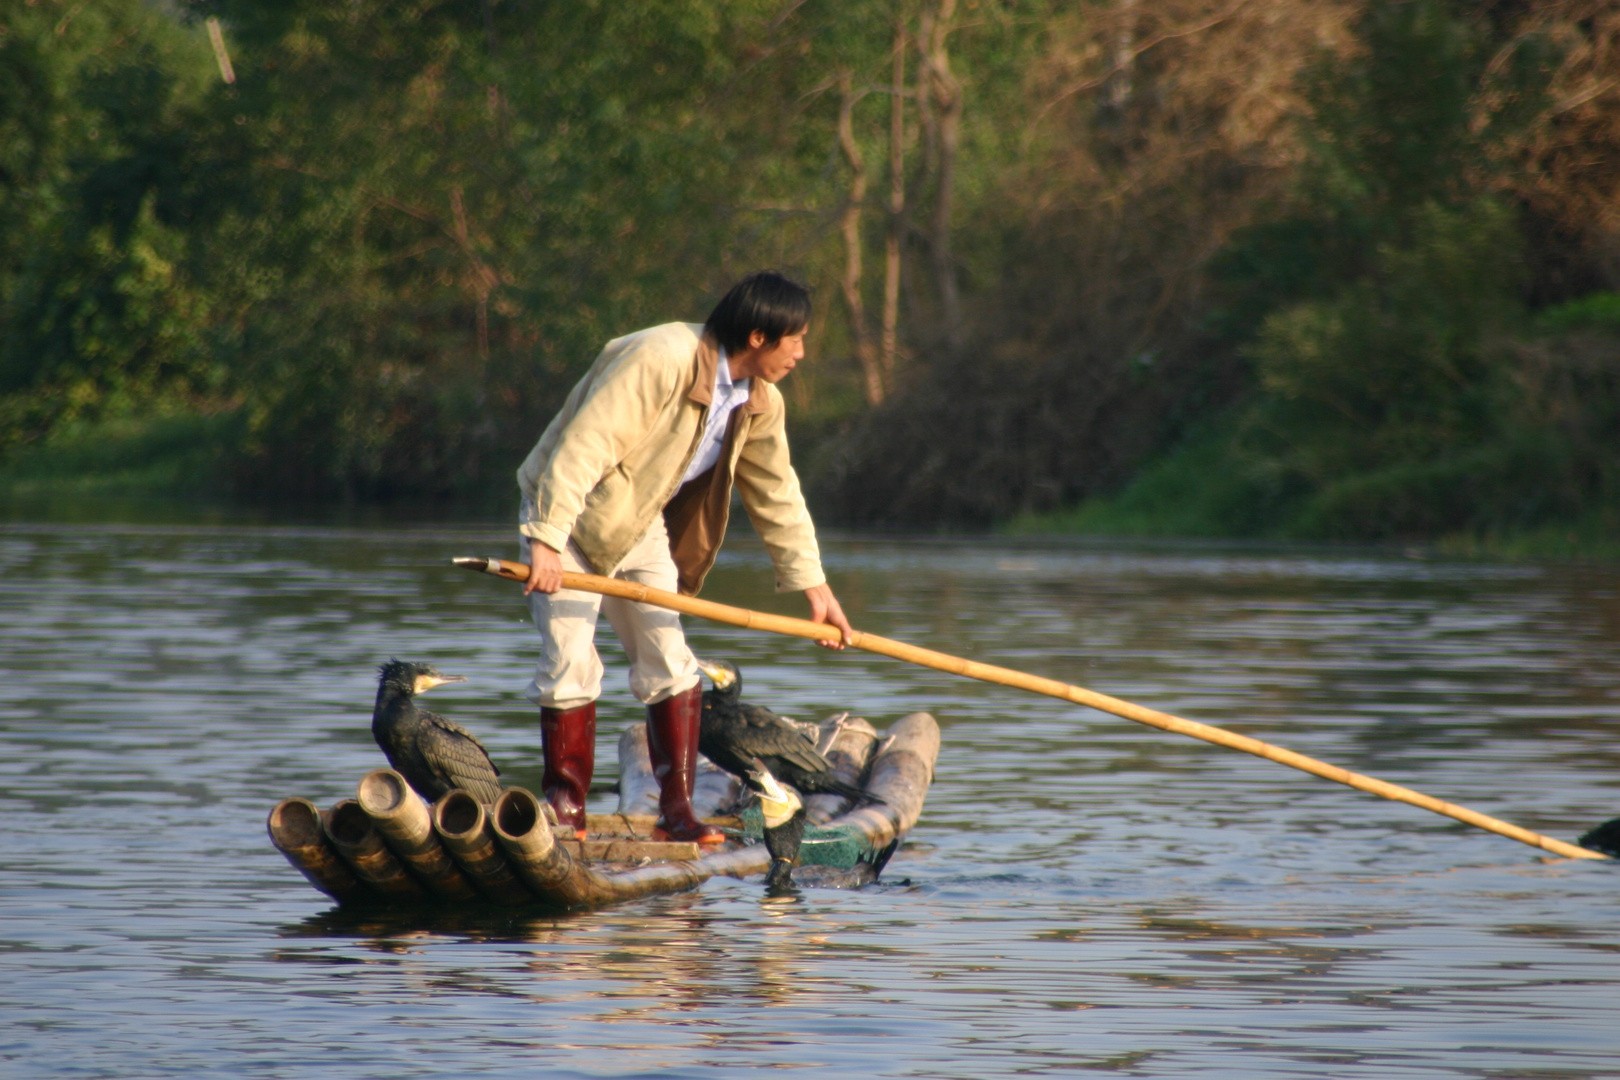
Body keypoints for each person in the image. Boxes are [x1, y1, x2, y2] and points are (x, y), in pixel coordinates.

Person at [515, 271, 853, 843]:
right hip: (572, 516)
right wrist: (547, 539)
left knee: (672, 664)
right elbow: (584, 444)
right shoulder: (661, 357)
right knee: (571, 663)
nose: (800, 353)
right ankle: (566, 812)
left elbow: (777, 492)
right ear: (756, 337)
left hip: (641, 524)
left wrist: (816, 591)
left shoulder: (760, 401)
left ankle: (677, 815)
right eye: (793, 340)